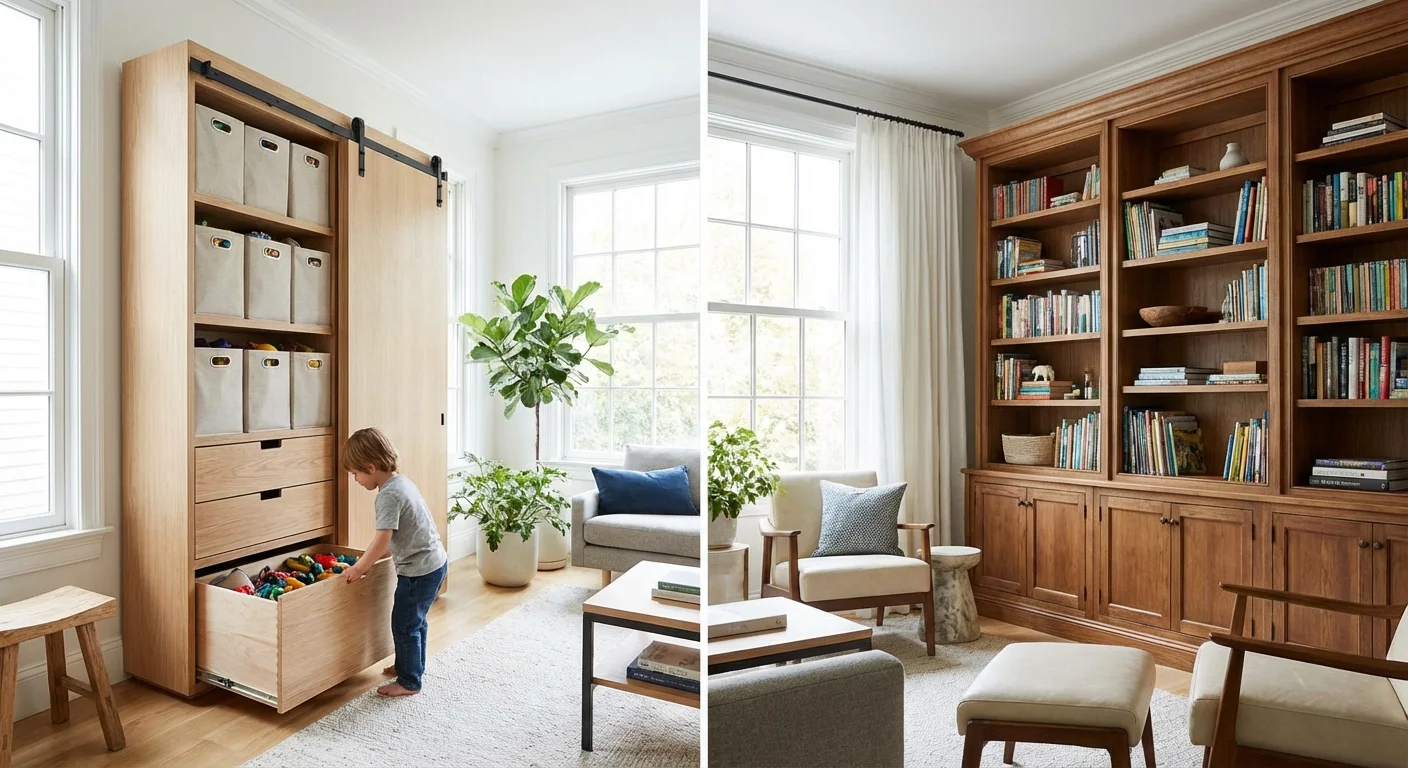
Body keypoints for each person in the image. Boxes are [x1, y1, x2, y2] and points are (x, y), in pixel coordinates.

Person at [340, 426, 448, 697]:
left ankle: (409, 681)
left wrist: (359, 568)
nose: (354, 479)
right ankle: (409, 665)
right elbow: (399, 535)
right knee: (417, 621)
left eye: (355, 473)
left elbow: (383, 539)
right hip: (435, 563)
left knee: (404, 624)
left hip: (418, 572)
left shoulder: (387, 495)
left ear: (371, 466)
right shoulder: (401, 482)